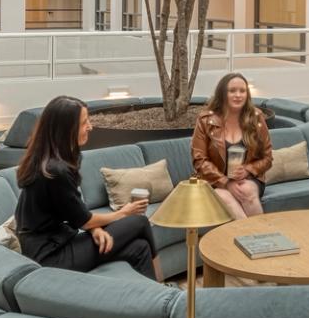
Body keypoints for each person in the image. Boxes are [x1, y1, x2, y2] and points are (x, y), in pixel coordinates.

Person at [14, 95, 158, 279]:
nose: (90, 126)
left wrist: (95, 229)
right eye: (84, 123)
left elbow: (77, 214)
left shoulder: (48, 159)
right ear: (66, 129)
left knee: (139, 248)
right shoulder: (55, 171)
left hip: (58, 242)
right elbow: (85, 220)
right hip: (51, 256)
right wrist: (125, 212)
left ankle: (156, 292)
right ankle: (164, 287)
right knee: (139, 221)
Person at [192, 72, 273, 220]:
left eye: (242, 91)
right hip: (213, 181)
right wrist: (226, 182)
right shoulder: (205, 120)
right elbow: (199, 160)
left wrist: (248, 169)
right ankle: (257, 232)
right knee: (224, 196)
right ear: (223, 93)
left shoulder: (256, 118)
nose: (238, 95)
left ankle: (257, 232)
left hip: (248, 179)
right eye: (232, 91)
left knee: (247, 190)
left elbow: (267, 158)